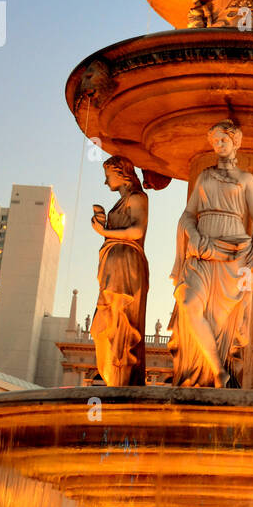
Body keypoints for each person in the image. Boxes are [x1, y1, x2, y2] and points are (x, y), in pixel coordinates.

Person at [169, 121, 253, 387]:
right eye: (214, 142)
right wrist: (195, 235)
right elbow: (188, 215)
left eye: (223, 140)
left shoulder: (246, 179)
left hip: (233, 255)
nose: (218, 145)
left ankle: (215, 373)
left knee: (219, 325)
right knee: (189, 304)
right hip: (201, 253)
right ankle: (217, 371)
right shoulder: (204, 176)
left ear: (236, 142)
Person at [90, 156, 149, 386]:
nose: (106, 183)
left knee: (120, 322)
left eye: (108, 177)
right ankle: (113, 379)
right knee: (104, 325)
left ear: (121, 173)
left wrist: (104, 232)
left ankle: (121, 379)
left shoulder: (137, 197)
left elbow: (136, 231)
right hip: (113, 265)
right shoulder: (122, 202)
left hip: (127, 264)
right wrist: (105, 225)